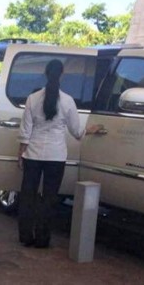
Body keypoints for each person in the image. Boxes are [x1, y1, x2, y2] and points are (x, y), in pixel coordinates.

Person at [17, 59, 100, 247]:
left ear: (46, 74)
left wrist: (20, 154)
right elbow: (76, 132)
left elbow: (25, 132)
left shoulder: (33, 98)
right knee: (49, 197)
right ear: (61, 74)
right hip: (56, 156)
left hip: (33, 154)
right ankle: (42, 238)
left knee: (28, 195)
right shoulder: (68, 101)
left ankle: (25, 236)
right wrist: (90, 130)